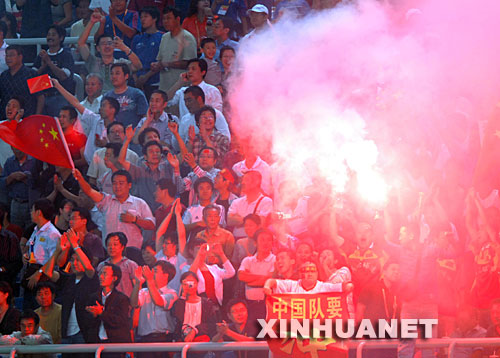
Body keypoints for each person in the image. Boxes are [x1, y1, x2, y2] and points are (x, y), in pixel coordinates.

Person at [74, 169, 155, 249]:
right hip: (109, 251)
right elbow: (89, 191)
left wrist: (135, 219)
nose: (117, 186)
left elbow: (151, 225)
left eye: (121, 183)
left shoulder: (139, 203)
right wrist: (80, 179)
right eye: (114, 183)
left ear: (129, 185)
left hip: (132, 251)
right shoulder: (106, 201)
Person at [79, 13, 142, 92]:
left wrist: (125, 48)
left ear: (114, 46)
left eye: (109, 43)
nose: (107, 46)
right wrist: (91, 22)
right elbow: (81, 43)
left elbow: (138, 66)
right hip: (97, 100)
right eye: (103, 44)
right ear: (98, 48)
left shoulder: (121, 63)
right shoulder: (93, 61)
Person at [51, 77, 107, 166]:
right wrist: (57, 86)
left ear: (100, 86)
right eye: (87, 84)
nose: (89, 87)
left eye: (93, 84)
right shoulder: (82, 107)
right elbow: (74, 102)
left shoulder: (105, 105)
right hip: (83, 152)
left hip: (102, 157)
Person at [119, 126, 175, 212]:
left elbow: (183, 156)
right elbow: (121, 160)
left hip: (165, 212)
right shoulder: (139, 171)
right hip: (144, 213)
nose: (155, 154)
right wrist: (127, 140)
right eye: (151, 152)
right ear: (145, 156)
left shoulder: (167, 167)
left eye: (157, 151)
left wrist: (176, 134)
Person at [130, 261, 178, 350]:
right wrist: (137, 284)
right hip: (144, 339)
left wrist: (149, 280)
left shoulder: (172, 293)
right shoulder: (144, 291)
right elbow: (133, 303)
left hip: (164, 339)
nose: (151, 274)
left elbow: (159, 301)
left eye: (155, 271)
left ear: (166, 275)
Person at [23, 199, 60, 309]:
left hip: (43, 277)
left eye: (32, 210)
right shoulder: (35, 229)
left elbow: (54, 259)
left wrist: (39, 272)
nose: (31, 213)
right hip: (31, 272)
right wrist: (25, 256)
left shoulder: (52, 233)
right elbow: (30, 246)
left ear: (39, 212)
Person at [33, 25, 76, 117]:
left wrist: (49, 62)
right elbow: (32, 80)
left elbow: (63, 77)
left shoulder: (66, 55)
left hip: (60, 98)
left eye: (53, 35)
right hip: (41, 98)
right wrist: (43, 67)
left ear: (61, 38)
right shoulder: (41, 55)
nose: (50, 37)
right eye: (48, 35)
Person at [86, 263, 131, 348]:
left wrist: (101, 313)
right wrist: (93, 314)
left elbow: (121, 321)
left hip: (115, 344)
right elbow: (87, 322)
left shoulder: (121, 299)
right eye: (100, 273)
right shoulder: (94, 297)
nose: (101, 276)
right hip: (95, 342)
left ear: (114, 278)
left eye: (105, 273)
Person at [153, 7, 197, 93]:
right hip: (163, 87)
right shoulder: (164, 37)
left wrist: (167, 64)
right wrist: (156, 65)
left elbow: (190, 64)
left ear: (177, 19)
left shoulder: (187, 37)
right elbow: (160, 60)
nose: (165, 21)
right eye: (164, 19)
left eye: (168, 18)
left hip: (180, 89)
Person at [176, 85, 230, 152]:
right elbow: (180, 145)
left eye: (189, 100)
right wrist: (175, 133)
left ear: (199, 99)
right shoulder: (185, 119)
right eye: (185, 101)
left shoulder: (216, 114)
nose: (187, 104)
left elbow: (226, 139)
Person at [87, 121, 140, 189]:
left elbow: (137, 180)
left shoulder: (133, 156)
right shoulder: (98, 153)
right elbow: (92, 179)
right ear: (108, 135)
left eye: (120, 131)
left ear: (125, 135)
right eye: (113, 132)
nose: (117, 134)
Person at [237, 228, 275, 320]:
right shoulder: (247, 260)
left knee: (265, 333)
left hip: (268, 304)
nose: (265, 243)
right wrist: (264, 278)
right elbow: (241, 276)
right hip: (249, 304)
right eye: (262, 239)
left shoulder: (275, 260)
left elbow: (270, 280)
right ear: (255, 243)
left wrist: (250, 281)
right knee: (252, 332)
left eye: (269, 240)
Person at [173, 271, 219, 342]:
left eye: (192, 283)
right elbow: (177, 316)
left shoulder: (206, 303)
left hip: (201, 340)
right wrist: (183, 295)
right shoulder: (179, 303)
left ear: (197, 284)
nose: (189, 286)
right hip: (182, 339)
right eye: (186, 283)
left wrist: (196, 330)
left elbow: (211, 324)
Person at [155, 198, 189, 292]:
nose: (163, 246)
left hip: (175, 296)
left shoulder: (180, 257)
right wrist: (170, 214)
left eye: (167, 243)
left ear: (175, 245)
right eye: (164, 243)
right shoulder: (161, 256)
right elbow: (159, 234)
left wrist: (177, 214)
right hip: (158, 295)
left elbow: (182, 236)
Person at [0, 45, 44, 117]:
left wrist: (37, 116)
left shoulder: (32, 74)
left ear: (20, 57)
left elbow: (40, 97)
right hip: (5, 119)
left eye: (11, 55)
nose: (8, 58)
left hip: (27, 118)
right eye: (6, 56)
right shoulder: (3, 75)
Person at [228, 171, 273, 238]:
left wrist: (238, 218)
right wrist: (251, 219)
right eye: (242, 180)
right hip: (237, 241)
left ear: (256, 182)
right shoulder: (237, 202)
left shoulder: (266, 201)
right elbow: (229, 221)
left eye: (246, 180)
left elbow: (261, 223)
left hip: (255, 241)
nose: (242, 183)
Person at [263, 261, 353, 294]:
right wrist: (267, 286)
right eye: (306, 271)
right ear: (300, 274)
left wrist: (348, 286)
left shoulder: (324, 287)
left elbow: (345, 286)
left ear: (317, 273)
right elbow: (272, 281)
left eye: (312, 271)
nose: (309, 274)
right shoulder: (292, 285)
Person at [189, 242, 235, 306]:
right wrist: (199, 255)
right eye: (198, 248)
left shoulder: (214, 268)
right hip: (200, 305)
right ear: (191, 251)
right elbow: (189, 277)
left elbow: (231, 272)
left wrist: (221, 254)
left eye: (204, 249)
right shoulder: (187, 268)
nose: (202, 251)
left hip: (215, 304)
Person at [104, 63, 148, 128]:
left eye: (117, 73)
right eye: (112, 74)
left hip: (134, 135)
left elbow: (145, 117)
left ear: (126, 76)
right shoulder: (106, 96)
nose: (114, 76)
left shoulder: (137, 94)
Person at [132, 7, 164, 97]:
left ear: (154, 19)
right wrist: (136, 79)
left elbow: (163, 61)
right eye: (141, 17)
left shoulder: (163, 37)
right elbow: (132, 59)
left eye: (146, 16)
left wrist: (146, 76)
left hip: (155, 81)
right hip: (137, 81)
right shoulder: (137, 38)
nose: (142, 19)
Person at [0, 146, 34, 229]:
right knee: (15, 229)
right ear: (11, 149)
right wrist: (11, 177)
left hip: (30, 203)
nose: (18, 152)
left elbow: (38, 183)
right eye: (15, 150)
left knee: (30, 230)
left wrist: (26, 178)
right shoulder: (9, 162)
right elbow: (2, 184)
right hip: (15, 203)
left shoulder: (34, 161)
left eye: (20, 150)